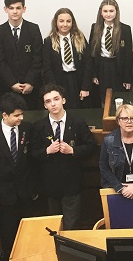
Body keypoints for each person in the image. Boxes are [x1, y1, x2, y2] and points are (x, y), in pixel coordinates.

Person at [30, 84, 96, 230]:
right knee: (54, 226)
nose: (53, 104)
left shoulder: (77, 121)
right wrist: (47, 150)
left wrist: (72, 150)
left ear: (63, 100)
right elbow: (32, 153)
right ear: (44, 105)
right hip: (49, 186)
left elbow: (91, 146)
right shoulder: (39, 126)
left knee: (72, 225)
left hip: (72, 183)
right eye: (48, 101)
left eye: (56, 99)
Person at [0, 93, 37, 256]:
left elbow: (30, 160)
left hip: (25, 192)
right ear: (5, 115)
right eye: (16, 115)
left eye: (22, 114)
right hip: (3, 195)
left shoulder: (27, 128)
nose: (21, 118)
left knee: (27, 230)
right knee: (8, 233)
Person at [0, 0, 43, 109]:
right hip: (8, 87)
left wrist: (30, 82)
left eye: (18, 8)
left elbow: (38, 58)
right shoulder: (0, 31)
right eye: (11, 8)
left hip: (31, 87)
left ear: (24, 9)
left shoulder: (33, 29)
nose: (15, 11)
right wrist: (12, 83)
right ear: (5, 9)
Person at [83, 0, 133, 105]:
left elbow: (128, 56)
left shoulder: (125, 29)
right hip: (102, 66)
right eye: (105, 11)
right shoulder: (95, 27)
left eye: (111, 11)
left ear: (116, 12)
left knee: (118, 97)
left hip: (117, 66)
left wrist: (127, 78)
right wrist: (94, 74)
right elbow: (92, 53)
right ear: (101, 12)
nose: (108, 14)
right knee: (103, 97)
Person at [42, 8, 88, 110]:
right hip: (59, 80)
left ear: (73, 22)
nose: (65, 24)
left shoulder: (80, 38)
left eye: (68, 21)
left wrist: (85, 87)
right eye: (61, 21)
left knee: (78, 109)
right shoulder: (49, 41)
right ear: (56, 22)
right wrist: (54, 90)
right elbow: (47, 67)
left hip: (77, 80)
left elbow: (88, 64)